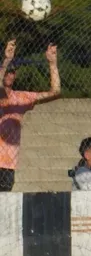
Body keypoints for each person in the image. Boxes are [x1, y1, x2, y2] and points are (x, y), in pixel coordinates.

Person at [0, 39, 61, 191]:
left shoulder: (21, 98)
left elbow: (55, 92)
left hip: (8, 164)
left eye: (12, 71)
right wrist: (7, 59)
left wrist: (52, 63)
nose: (9, 73)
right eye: (7, 71)